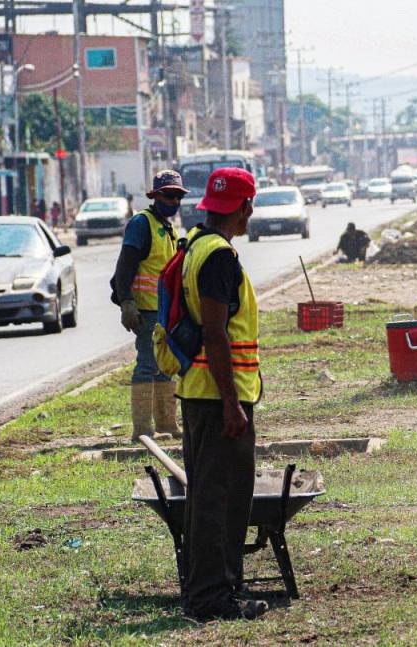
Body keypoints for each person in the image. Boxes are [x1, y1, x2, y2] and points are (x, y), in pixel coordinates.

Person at [176, 167, 263, 621]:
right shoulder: (219, 258)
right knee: (221, 498)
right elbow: (215, 332)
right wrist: (232, 404)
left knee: (208, 495)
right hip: (218, 398)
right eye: (250, 207)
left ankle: (208, 590)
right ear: (245, 207)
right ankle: (213, 598)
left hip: (200, 392)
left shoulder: (196, 245)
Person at [112, 170, 186, 441]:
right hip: (146, 310)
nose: (174, 200)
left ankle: (167, 424)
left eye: (178, 196)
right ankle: (142, 430)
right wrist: (126, 303)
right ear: (155, 196)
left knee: (166, 365)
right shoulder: (142, 224)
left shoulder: (168, 228)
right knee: (146, 365)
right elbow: (125, 265)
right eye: (169, 195)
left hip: (167, 312)